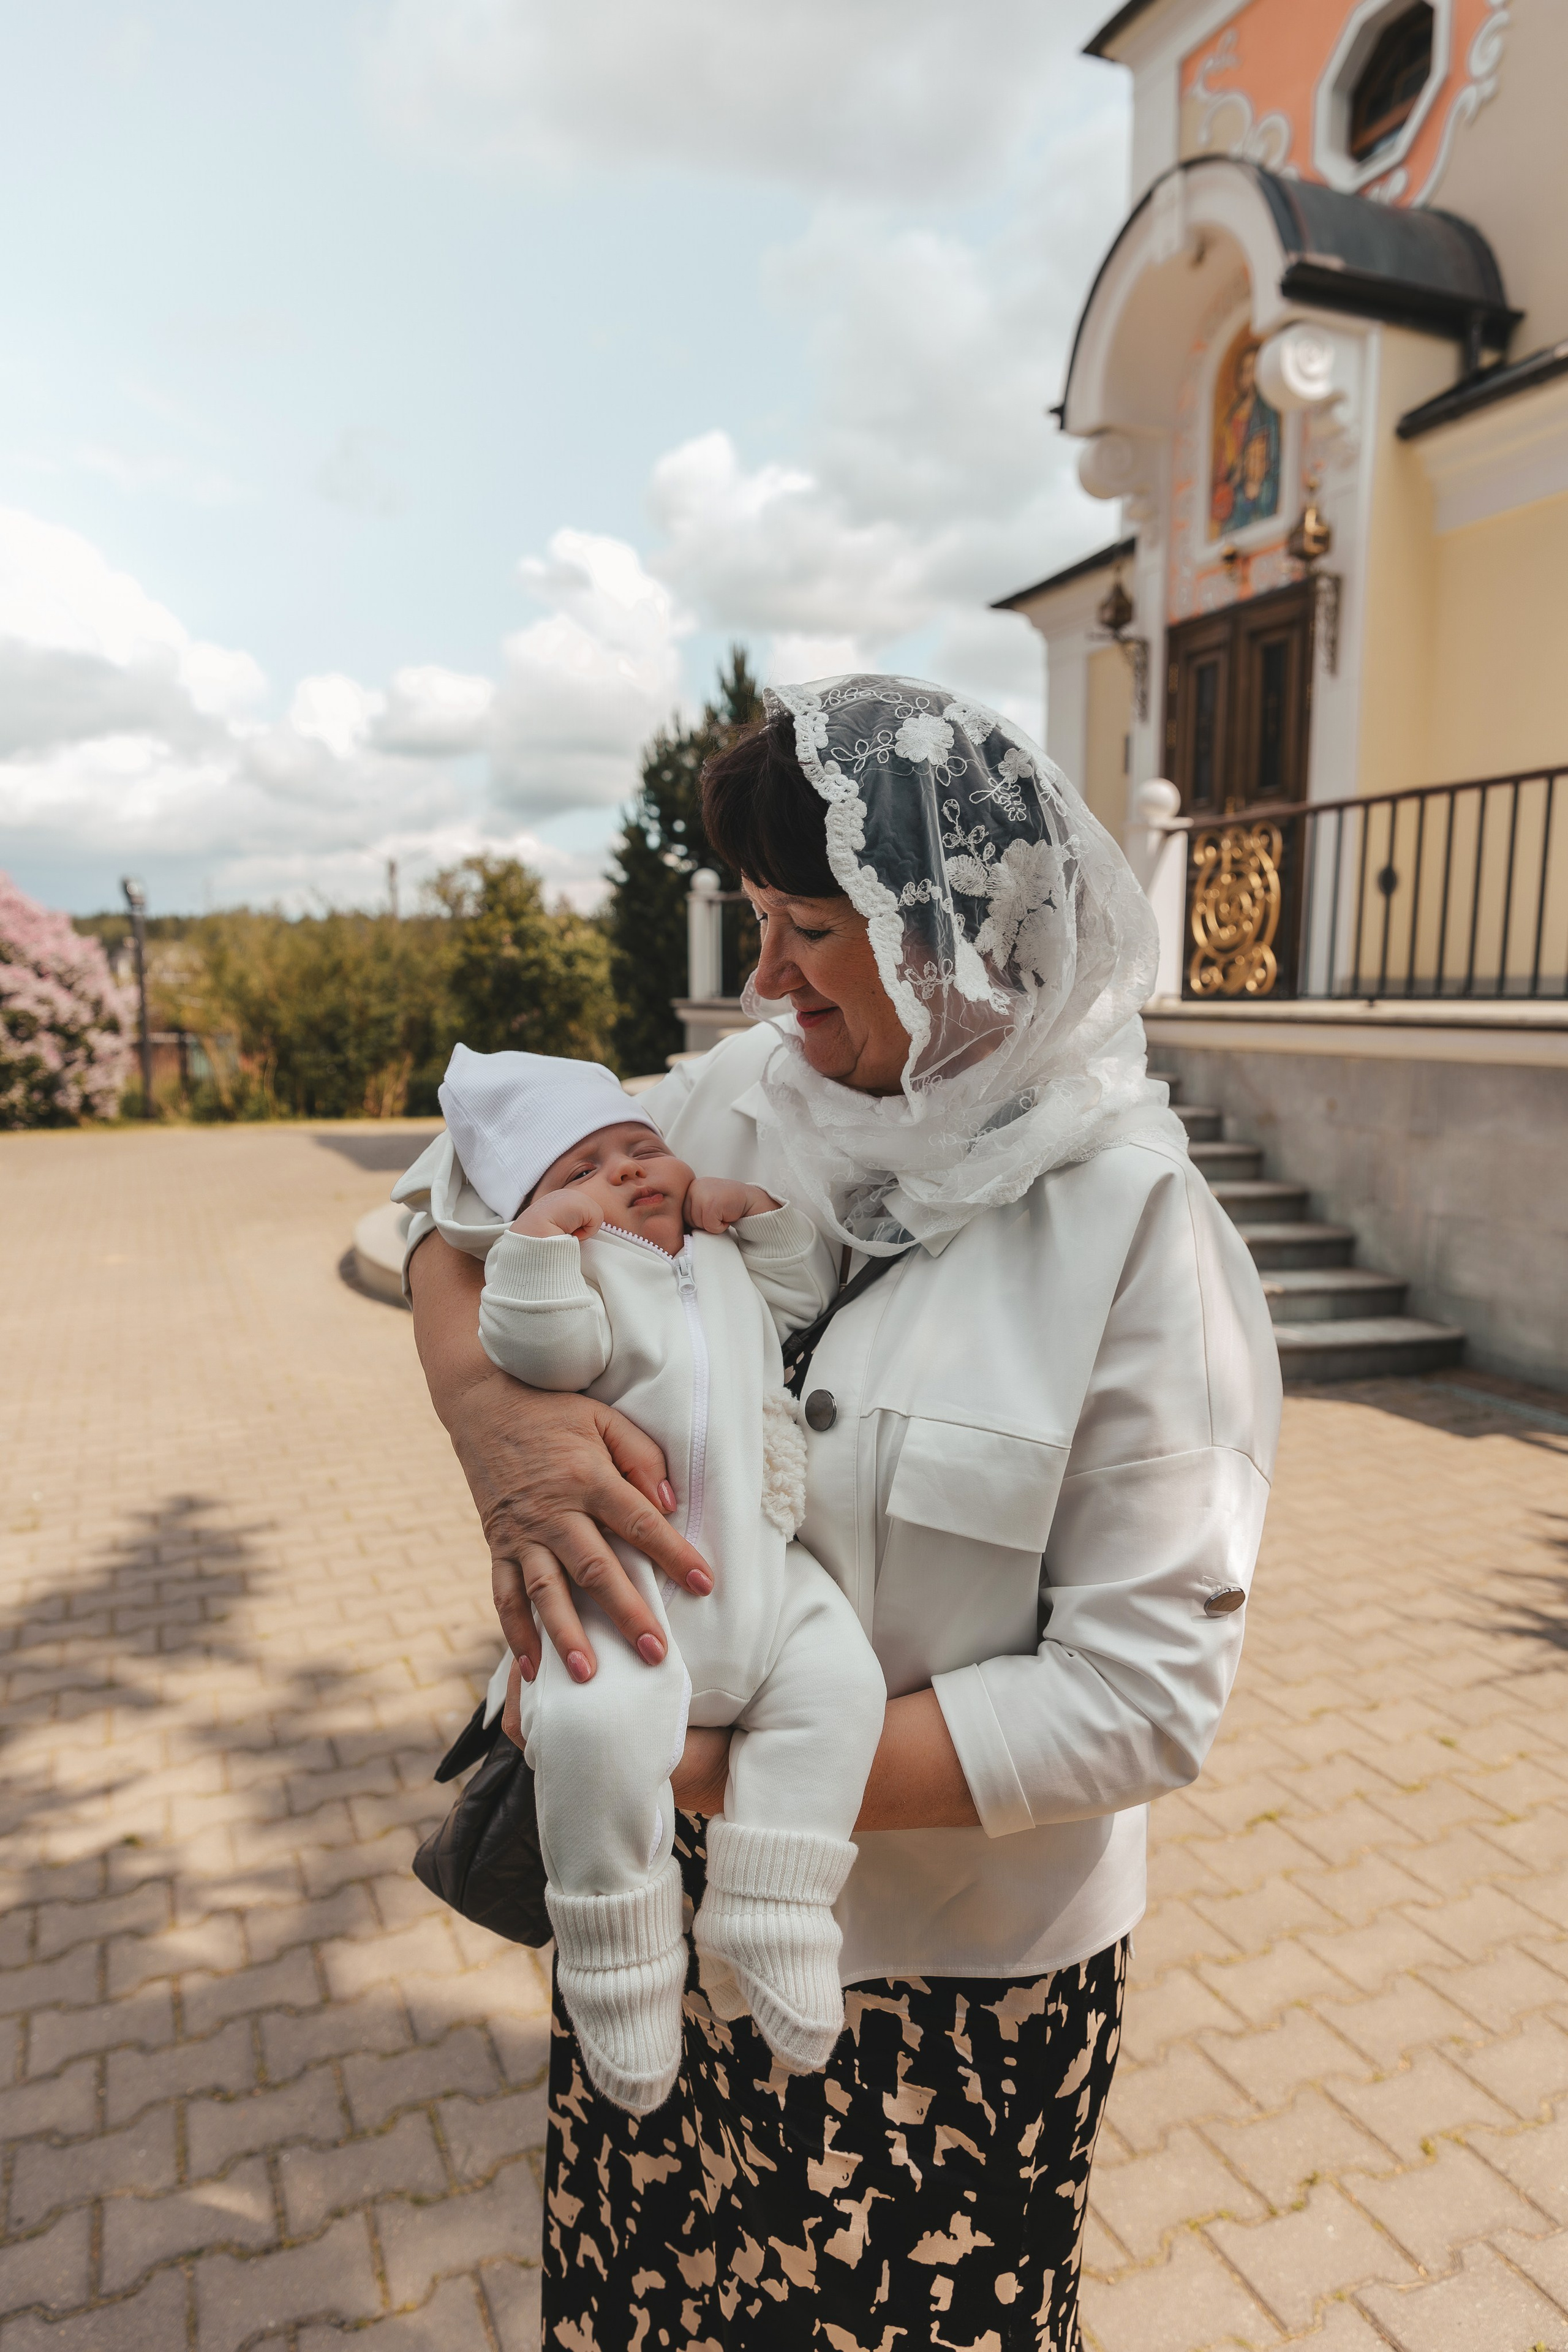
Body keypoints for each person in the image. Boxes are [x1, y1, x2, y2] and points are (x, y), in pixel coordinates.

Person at [407, 674, 1282, 2350]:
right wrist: (488, 1420)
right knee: (647, 2308)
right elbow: (442, 1219)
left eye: (811, 925)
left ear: (949, 930)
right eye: (758, 920)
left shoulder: (1141, 1234)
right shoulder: (730, 1104)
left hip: (945, 2003)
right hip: (651, 1939)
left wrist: (724, 1771)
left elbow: (1145, 1697)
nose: (761, 977)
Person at [394, 1045, 886, 2116]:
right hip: (629, 1592)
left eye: (644, 1149)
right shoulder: (580, 1274)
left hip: (767, 1573)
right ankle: (615, 1964)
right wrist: (537, 1254)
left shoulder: (715, 1257)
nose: (628, 1171)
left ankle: (779, 1909)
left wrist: (745, 1215)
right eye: (587, 1168)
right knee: (589, 1732)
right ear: (537, 1207)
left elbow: (804, 1292)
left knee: (843, 1691)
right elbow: (544, 1355)